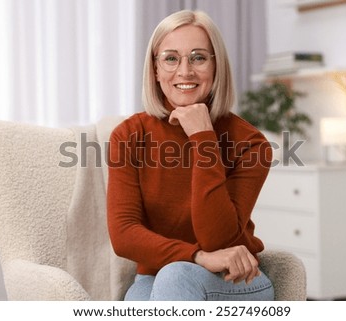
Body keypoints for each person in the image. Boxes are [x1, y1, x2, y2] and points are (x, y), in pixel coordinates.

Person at [107, 9, 274, 301]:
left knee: (174, 278)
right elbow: (124, 235)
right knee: (140, 299)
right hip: (157, 274)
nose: (185, 71)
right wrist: (195, 256)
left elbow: (218, 239)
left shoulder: (251, 143)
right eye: (171, 58)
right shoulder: (129, 135)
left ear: (215, 66)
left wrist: (203, 137)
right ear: (155, 70)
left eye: (198, 57)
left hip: (233, 280)